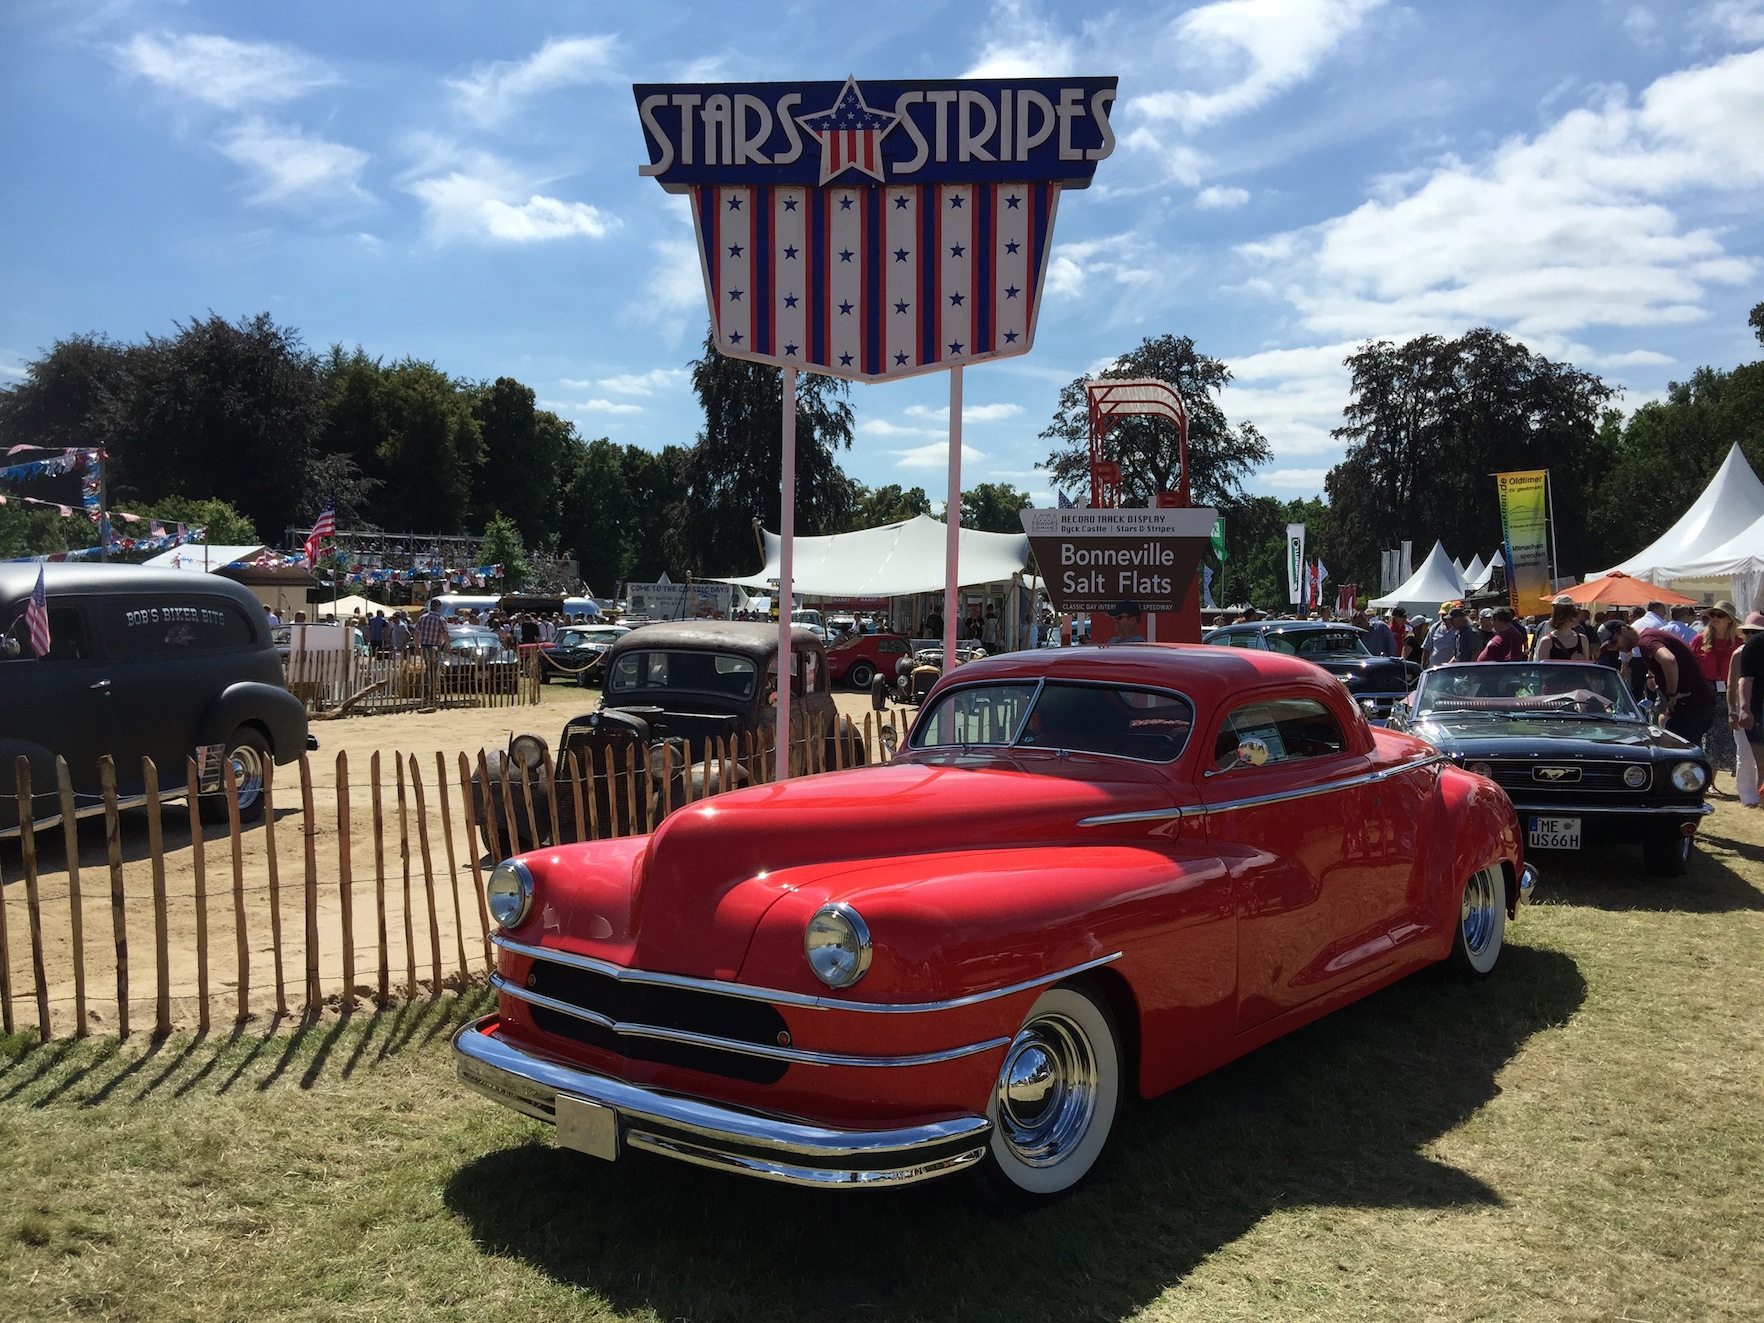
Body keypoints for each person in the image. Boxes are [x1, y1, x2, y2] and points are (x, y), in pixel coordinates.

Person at [1614, 622, 1717, 743]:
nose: (1616, 648)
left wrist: (1672, 693)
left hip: (1690, 702)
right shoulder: (1650, 636)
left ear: (1624, 630)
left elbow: (1668, 659)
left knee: (1677, 749)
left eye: (1615, 642)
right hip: (1695, 701)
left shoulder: (1646, 641)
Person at [1694, 601, 1742, 785]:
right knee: (1708, 733)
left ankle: (1729, 777)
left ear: (1729, 620)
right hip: (1706, 690)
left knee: (1729, 734)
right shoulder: (1700, 640)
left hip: (1732, 690)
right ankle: (1708, 781)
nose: (1714, 619)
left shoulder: (1738, 642)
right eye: (1712, 615)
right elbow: (1692, 665)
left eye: (1719, 615)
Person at [1728, 612, 1764, 808]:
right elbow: (1732, 685)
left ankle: (1758, 795)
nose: (1751, 636)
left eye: (1755, 632)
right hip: (1747, 708)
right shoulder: (1740, 653)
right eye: (1748, 632)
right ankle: (1748, 796)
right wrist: (1734, 711)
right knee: (1745, 754)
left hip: (1757, 708)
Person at [415, 600, 449, 702]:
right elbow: (445, 634)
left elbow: (416, 633)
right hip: (434, 647)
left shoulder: (422, 618)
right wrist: (449, 646)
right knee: (432, 669)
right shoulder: (440, 619)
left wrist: (417, 646)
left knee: (428, 668)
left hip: (425, 646)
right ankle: (429, 692)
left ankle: (427, 691)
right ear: (438, 607)